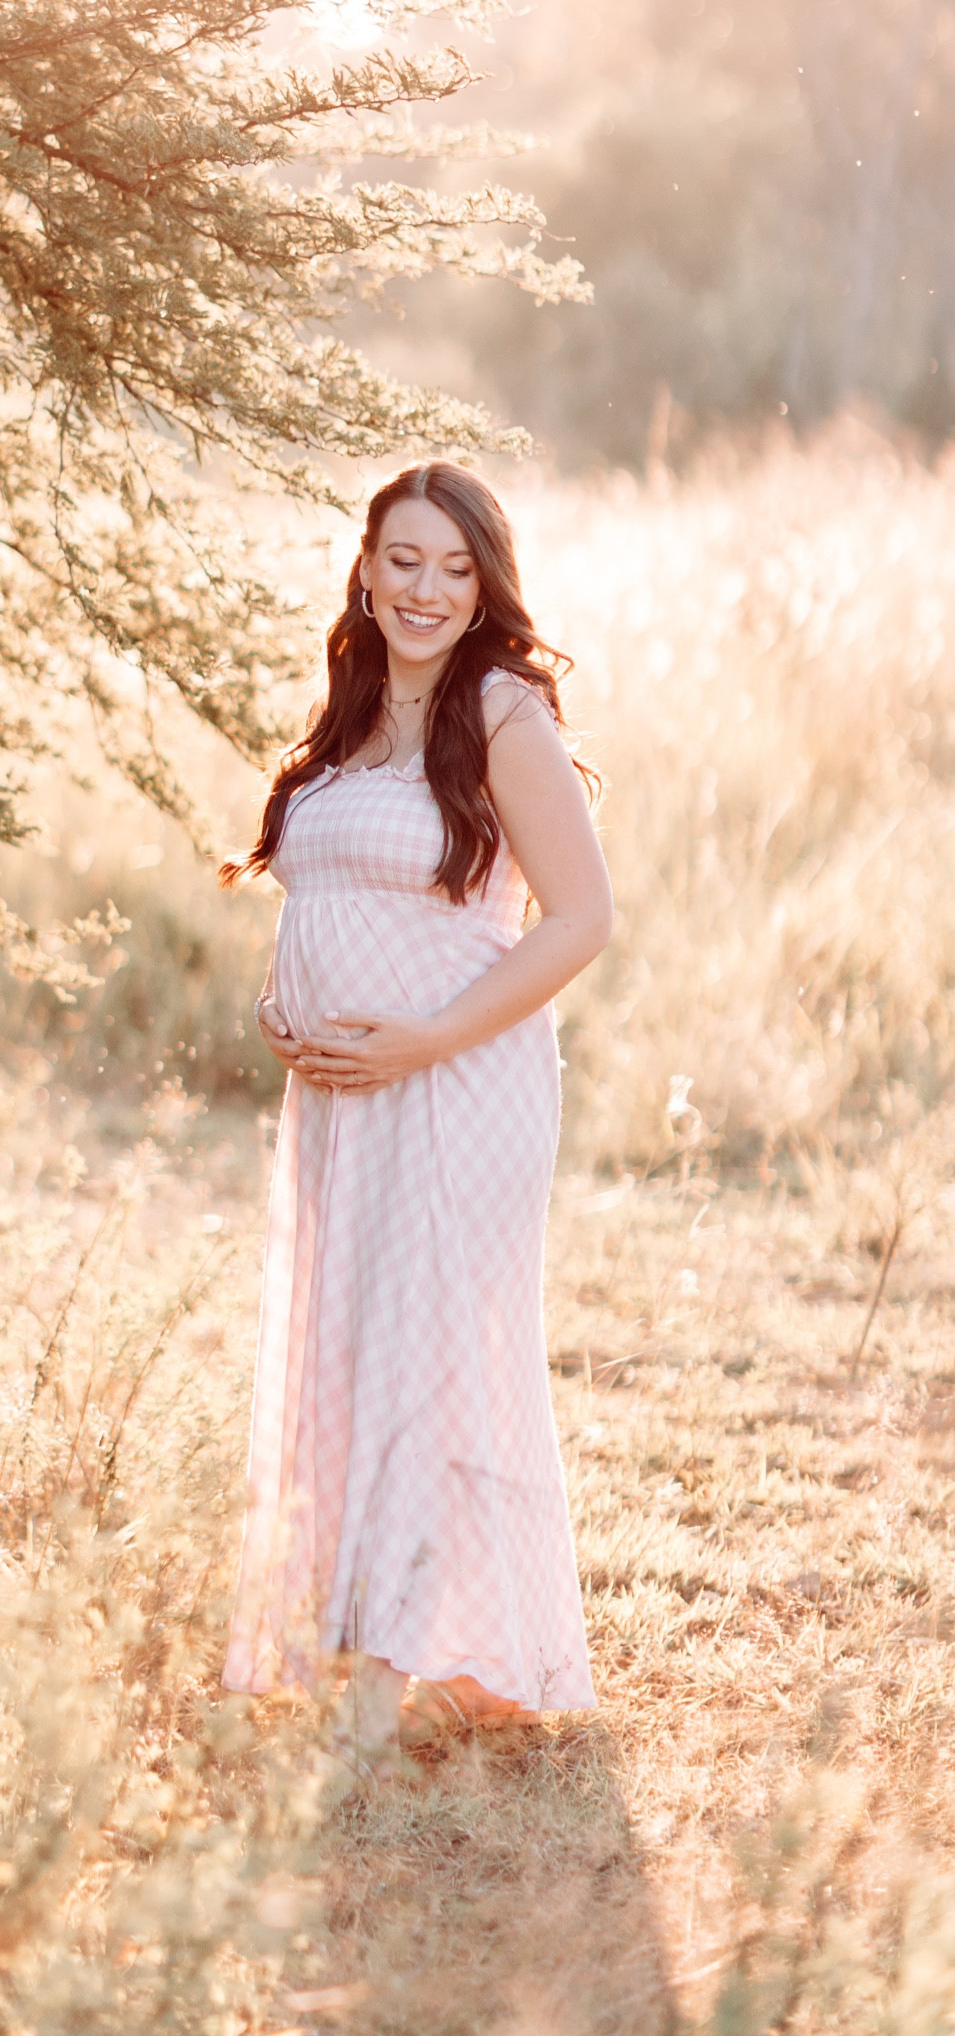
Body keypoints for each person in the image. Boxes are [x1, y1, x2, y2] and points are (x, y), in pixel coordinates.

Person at [218, 461, 613, 1777]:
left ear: (484, 580)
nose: (425, 589)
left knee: (430, 1343)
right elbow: (320, 890)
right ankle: (379, 1636)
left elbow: (580, 920)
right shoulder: (348, 711)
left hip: (458, 1084)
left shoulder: (501, 710)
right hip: (339, 1097)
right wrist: (285, 1003)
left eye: (453, 567)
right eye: (402, 560)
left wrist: (427, 1039)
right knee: (351, 1344)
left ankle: (394, 1672)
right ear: (365, 567)